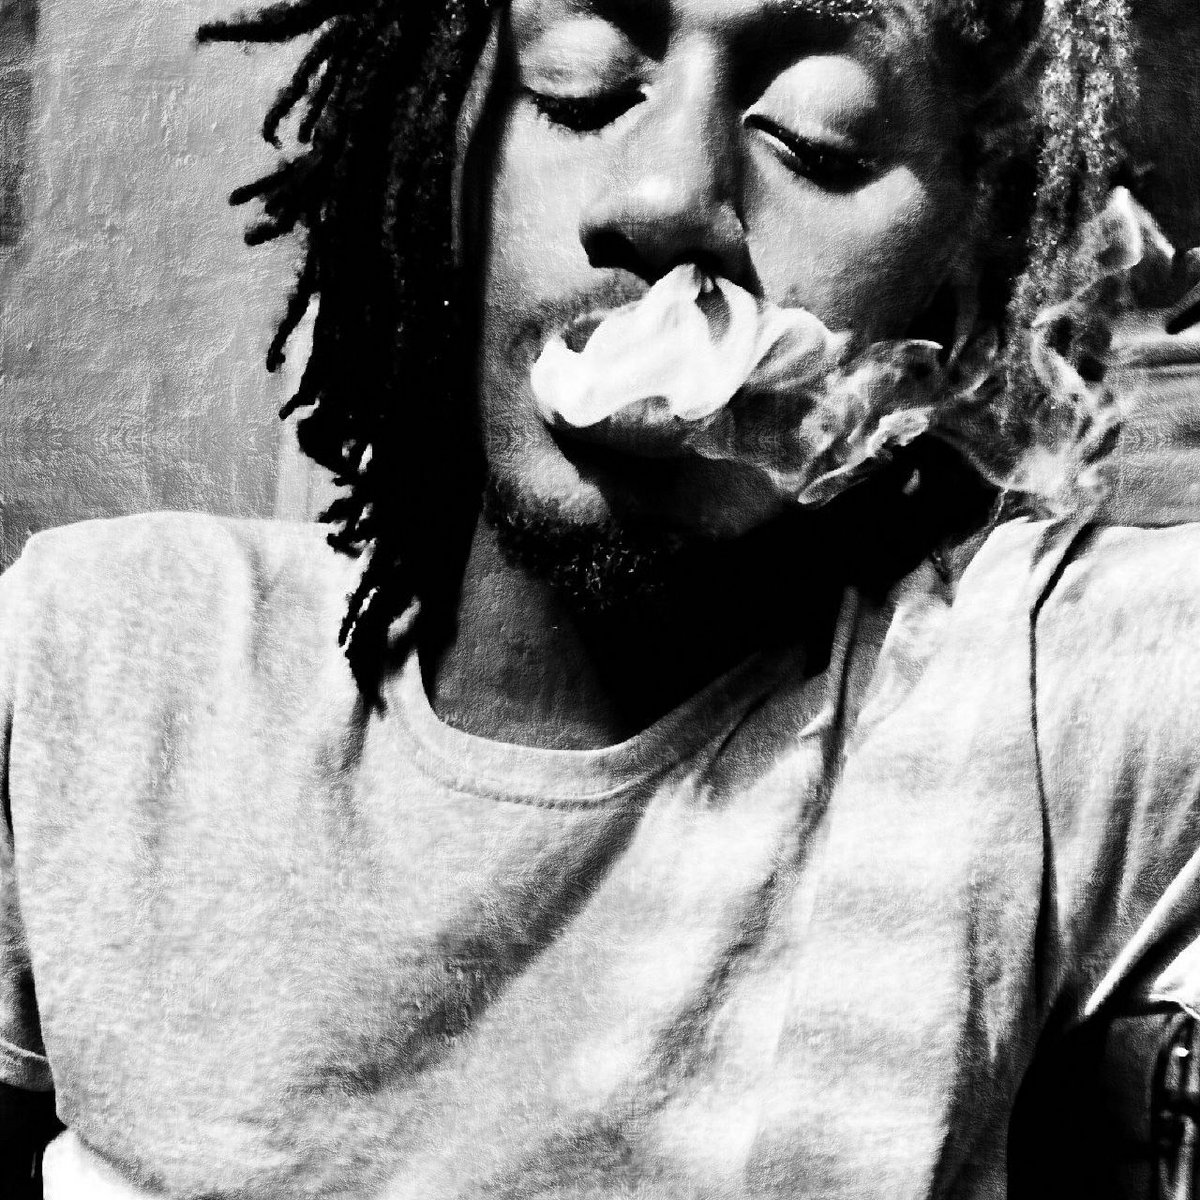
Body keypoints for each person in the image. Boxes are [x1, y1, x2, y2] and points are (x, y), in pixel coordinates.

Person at [1, 0, 1197, 1196]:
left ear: (965, 278)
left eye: (818, 138)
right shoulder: (94, 653)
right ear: (444, 147)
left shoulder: (1027, 706)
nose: (666, 198)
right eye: (578, 88)